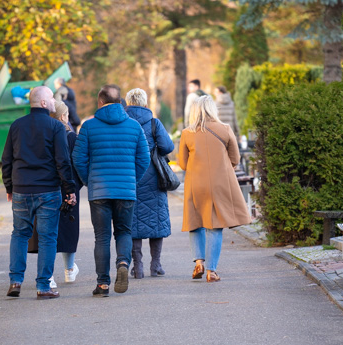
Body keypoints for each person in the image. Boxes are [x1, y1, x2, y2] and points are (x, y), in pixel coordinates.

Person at [72, 84, 150, 297]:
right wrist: (131, 179)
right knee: (124, 231)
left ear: (100, 102)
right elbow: (144, 158)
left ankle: (103, 284)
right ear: (121, 102)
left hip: (99, 191)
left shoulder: (88, 127)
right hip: (126, 190)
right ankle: (123, 262)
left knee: (102, 237)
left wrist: (90, 180)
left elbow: (78, 159)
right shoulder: (134, 127)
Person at [3, 85, 78, 299]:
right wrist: (69, 189)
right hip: (48, 191)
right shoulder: (55, 127)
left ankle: (15, 282)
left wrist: (9, 187)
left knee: (19, 234)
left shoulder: (16, 126)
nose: (55, 102)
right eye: (52, 98)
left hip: (21, 190)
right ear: (44, 103)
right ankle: (43, 286)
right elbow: (62, 161)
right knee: (47, 238)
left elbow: (6, 159)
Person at [177, 95, 251, 282]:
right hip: (219, 183)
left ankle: (199, 263)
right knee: (215, 225)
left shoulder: (187, 133)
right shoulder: (225, 129)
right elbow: (235, 159)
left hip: (196, 183)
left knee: (196, 223)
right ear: (213, 109)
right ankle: (211, 271)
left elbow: (183, 164)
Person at [124, 88, 174, 278]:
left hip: (131, 176)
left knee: (133, 224)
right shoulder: (154, 123)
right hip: (155, 177)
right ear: (145, 103)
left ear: (128, 103)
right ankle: (156, 265)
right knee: (156, 222)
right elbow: (167, 146)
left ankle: (138, 267)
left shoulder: (124, 122)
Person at [51, 100, 84, 283]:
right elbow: (79, 163)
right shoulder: (71, 137)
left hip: (49, 187)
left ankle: (48, 273)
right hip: (69, 188)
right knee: (70, 228)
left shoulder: (46, 135)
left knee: (51, 229)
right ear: (64, 116)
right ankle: (69, 269)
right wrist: (77, 185)